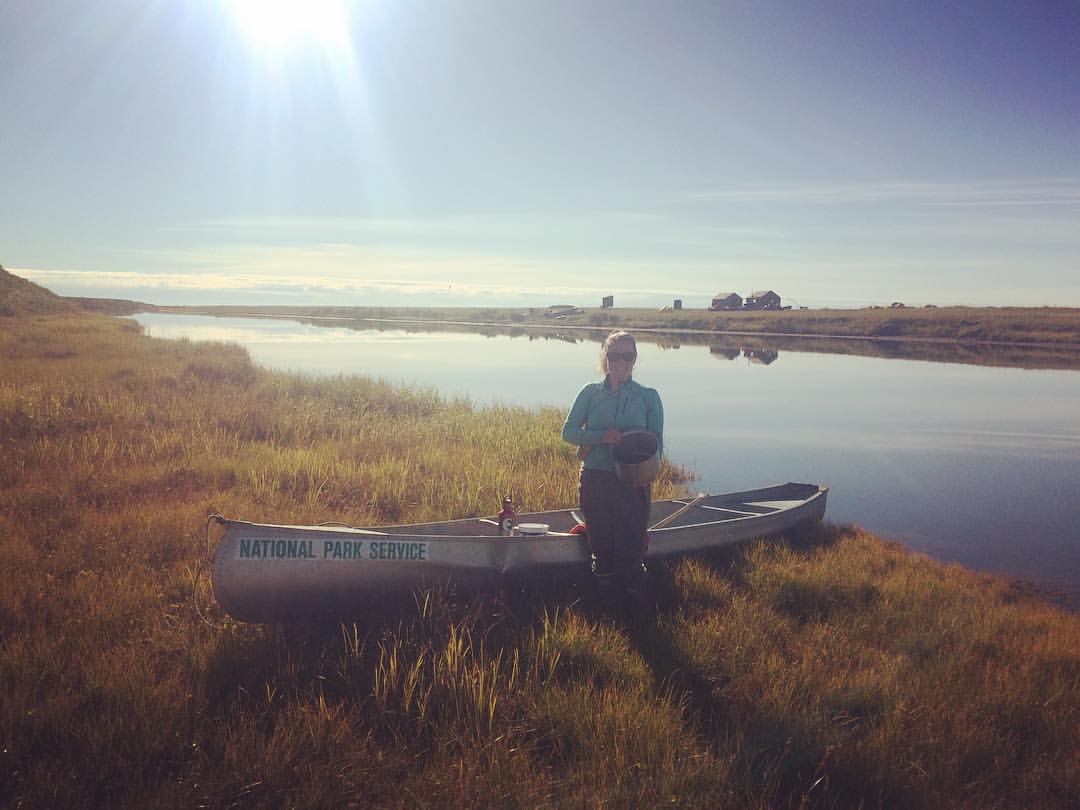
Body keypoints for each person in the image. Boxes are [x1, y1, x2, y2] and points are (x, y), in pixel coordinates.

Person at [562, 331, 664, 601]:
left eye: (627, 356)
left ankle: (631, 606)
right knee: (602, 550)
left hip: (633, 484)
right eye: (614, 356)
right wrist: (599, 437)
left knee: (630, 552)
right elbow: (568, 432)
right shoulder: (590, 393)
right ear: (605, 358)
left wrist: (646, 474)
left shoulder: (649, 397)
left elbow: (657, 445)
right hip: (596, 480)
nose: (620, 362)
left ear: (634, 359)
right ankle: (605, 605)